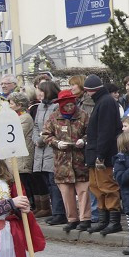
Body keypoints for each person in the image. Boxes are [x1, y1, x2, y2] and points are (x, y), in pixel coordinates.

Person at [42, 89, 91, 232]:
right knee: (66, 192)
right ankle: (72, 219)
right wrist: (56, 143)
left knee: (83, 190)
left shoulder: (83, 115)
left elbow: (90, 132)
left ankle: (85, 219)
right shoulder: (53, 118)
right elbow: (46, 135)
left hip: (80, 160)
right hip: (62, 162)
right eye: (67, 106)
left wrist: (83, 140)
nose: (70, 108)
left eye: (72, 105)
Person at [83, 74, 124, 235]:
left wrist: (100, 154)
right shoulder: (103, 101)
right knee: (96, 186)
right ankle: (103, 219)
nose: (86, 94)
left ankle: (113, 220)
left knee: (107, 186)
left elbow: (106, 131)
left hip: (103, 155)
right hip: (96, 153)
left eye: (87, 91)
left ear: (91, 90)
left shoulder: (105, 102)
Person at [31, 80, 65, 224]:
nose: (38, 93)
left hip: (52, 149)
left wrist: (42, 139)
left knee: (54, 182)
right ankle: (54, 210)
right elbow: (36, 126)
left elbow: (52, 128)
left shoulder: (57, 107)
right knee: (47, 181)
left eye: (41, 90)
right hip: (41, 150)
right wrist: (37, 139)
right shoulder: (40, 107)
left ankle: (60, 212)